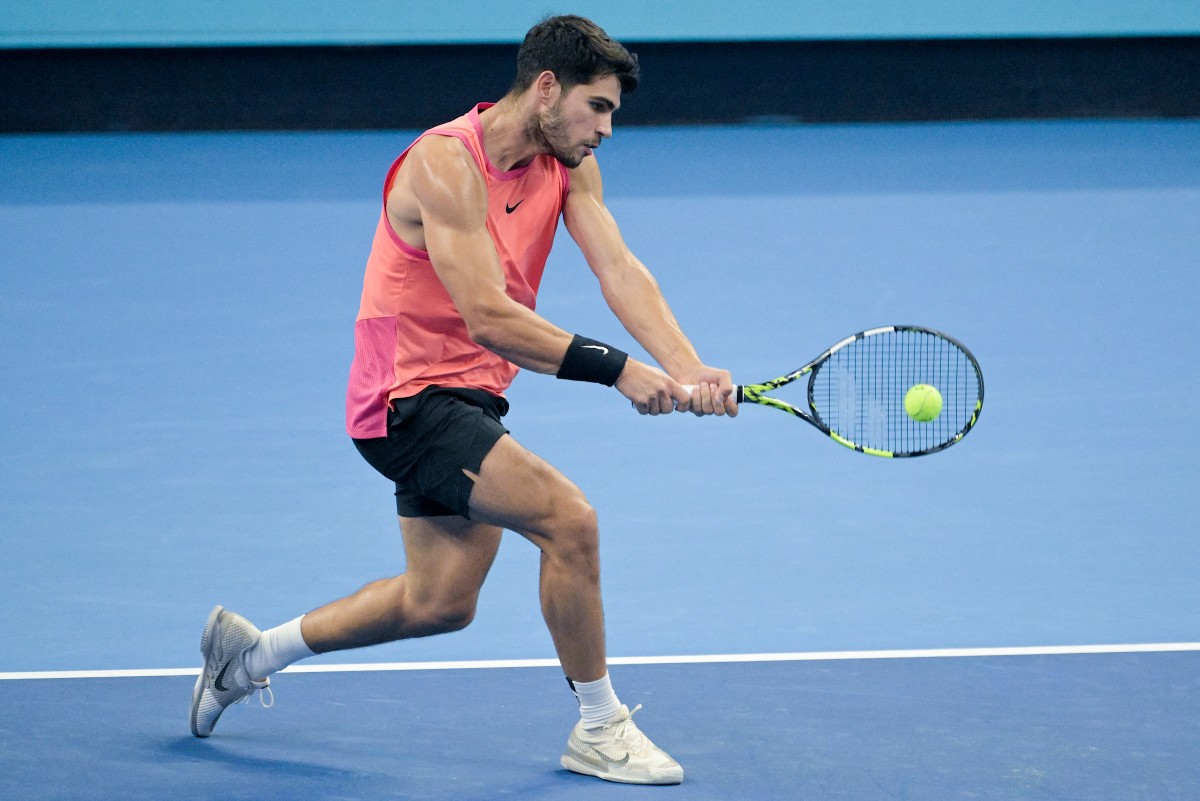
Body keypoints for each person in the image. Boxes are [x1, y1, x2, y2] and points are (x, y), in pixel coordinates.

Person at [188, 14, 737, 786]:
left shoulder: (568, 162)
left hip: (469, 395)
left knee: (439, 602)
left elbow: (617, 267)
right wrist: (621, 371)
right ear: (547, 89)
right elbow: (488, 315)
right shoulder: (445, 164)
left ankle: (247, 657)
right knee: (569, 521)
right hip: (402, 398)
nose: (608, 129)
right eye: (599, 107)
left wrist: (688, 367)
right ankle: (600, 724)